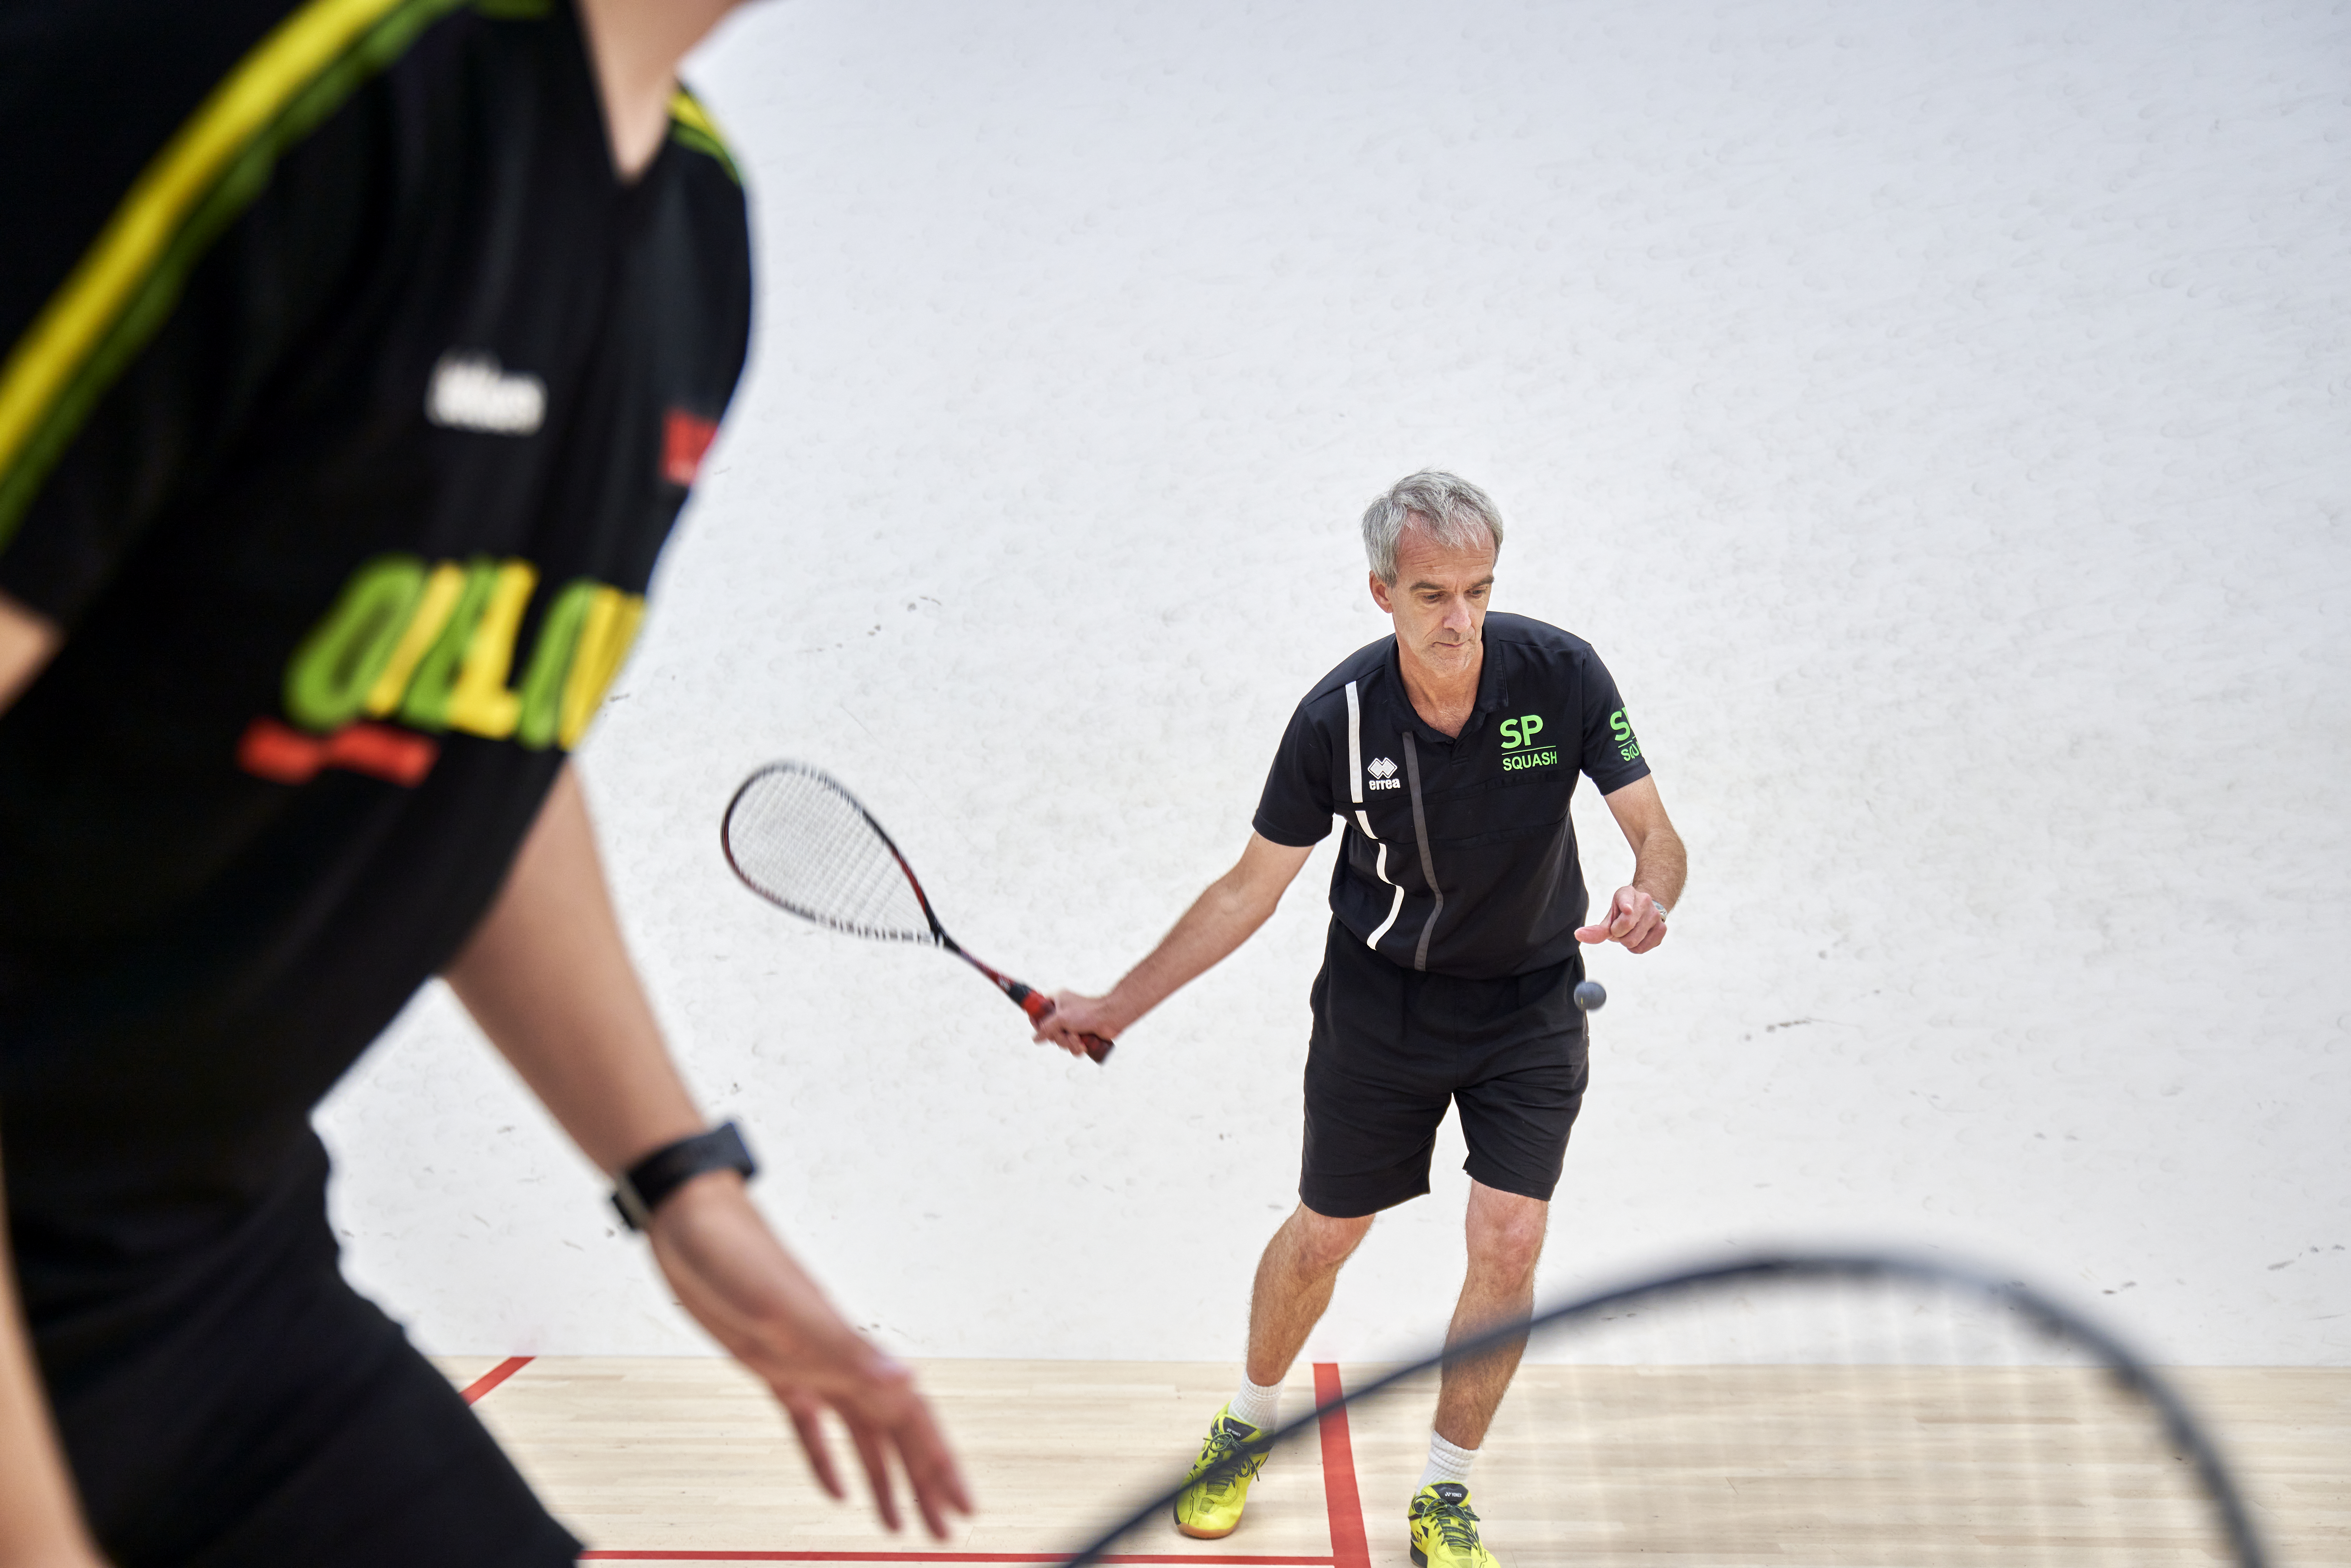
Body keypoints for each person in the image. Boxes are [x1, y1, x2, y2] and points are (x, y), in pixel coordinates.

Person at [0, 1, 969, 1562]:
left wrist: (680, 1182)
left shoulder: (687, 235)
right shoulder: (215, 78)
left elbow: (468, 727)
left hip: (198, 1273)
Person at [1036, 472, 1687, 1568]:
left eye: (1480, 590)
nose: (1462, 620)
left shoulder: (1563, 675)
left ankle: (1445, 1493)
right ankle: (1244, 1422)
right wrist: (1116, 1008)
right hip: (1381, 1007)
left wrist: (1650, 893)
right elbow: (1250, 888)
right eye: (1433, 594)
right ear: (1381, 592)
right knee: (1327, 1236)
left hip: (1530, 1003)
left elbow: (1659, 836)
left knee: (1511, 1236)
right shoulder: (1334, 720)